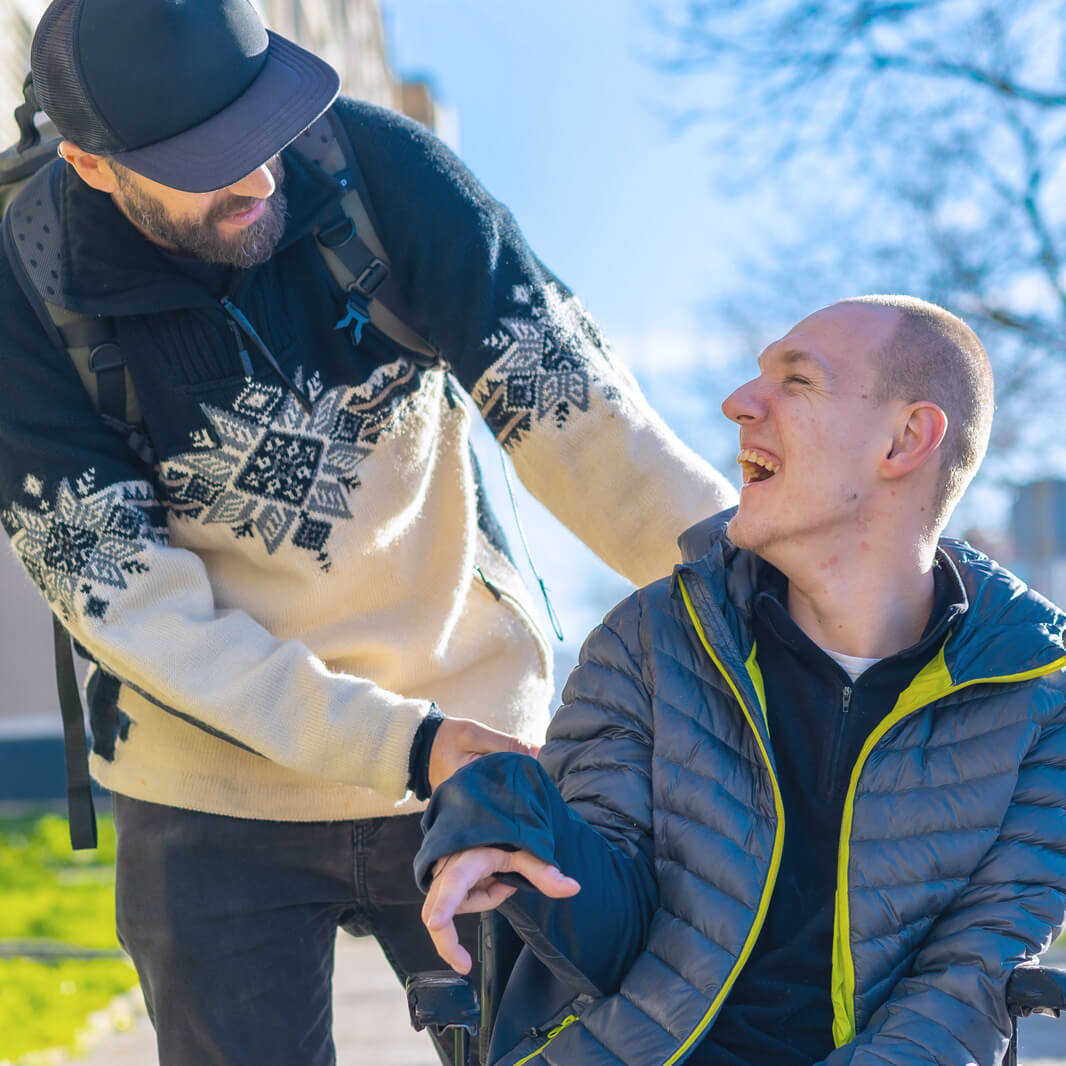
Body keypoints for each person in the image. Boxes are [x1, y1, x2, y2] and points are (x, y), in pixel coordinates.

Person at [0, 0, 737, 1063]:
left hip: (476, 734)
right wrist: (405, 743)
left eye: (262, 125)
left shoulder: (380, 170)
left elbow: (584, 421)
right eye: (209, 161)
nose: (259, 174)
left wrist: (766, 589)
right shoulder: (24, 293)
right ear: (96, 168)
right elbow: (138, 612)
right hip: (211, 783)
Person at [417, 295, 1066, 1066]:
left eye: (796, 382)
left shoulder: (1039, 701)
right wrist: (513, 811)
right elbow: (608, 940)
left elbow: (967, 984)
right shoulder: (652, 638)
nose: (738, 404)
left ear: (906, 439)